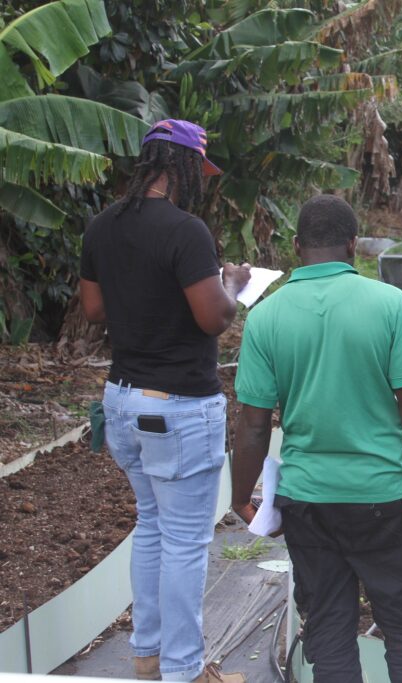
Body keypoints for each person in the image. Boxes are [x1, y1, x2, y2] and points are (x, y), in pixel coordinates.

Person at [231, 194, 402, 683]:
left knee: (328, 630)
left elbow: (253, 424)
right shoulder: (388, 304)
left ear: (296, 246)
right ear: (353, 244)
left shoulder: (265, 317)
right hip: (382, 495)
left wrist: (241, 495)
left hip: (308, 500)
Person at [79, 119, 251, 682]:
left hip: (122, 401)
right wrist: (232, 283)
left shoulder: (102, 225)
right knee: (184, 542)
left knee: (151, 525)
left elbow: (94, 310)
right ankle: (184, 670)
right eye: (200, 172)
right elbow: (214, 318)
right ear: (184, 168)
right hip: (177, 406)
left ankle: (148, 655)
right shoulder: (186, 231)